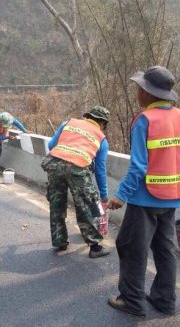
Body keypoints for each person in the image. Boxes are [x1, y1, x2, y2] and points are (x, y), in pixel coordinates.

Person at [107, 66, 180, 317]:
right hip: (173, 198)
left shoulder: (144, 119)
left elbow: (138, 165)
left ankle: (132, 301)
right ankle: (164, 300)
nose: (138, 92)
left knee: (131, 247)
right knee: (165, 250)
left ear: (146, 93)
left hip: (146, 198)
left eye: (139, 88)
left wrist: (121, 195)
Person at [41, 106, 111, 258]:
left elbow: (51, 145)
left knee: (57, 204)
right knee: (85, 206)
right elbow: (100, 169)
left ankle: (60, 241)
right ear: (102, 123)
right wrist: (104, 195)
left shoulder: (68, 123)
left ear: (87, 117)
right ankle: (95, 248)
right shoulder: (101, 139)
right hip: (78, 169)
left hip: (54, 164)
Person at [0, 112, 27, 176]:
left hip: (0, 138)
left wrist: (24, 130)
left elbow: (17, 123)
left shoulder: (10, 119)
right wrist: (8, 137)